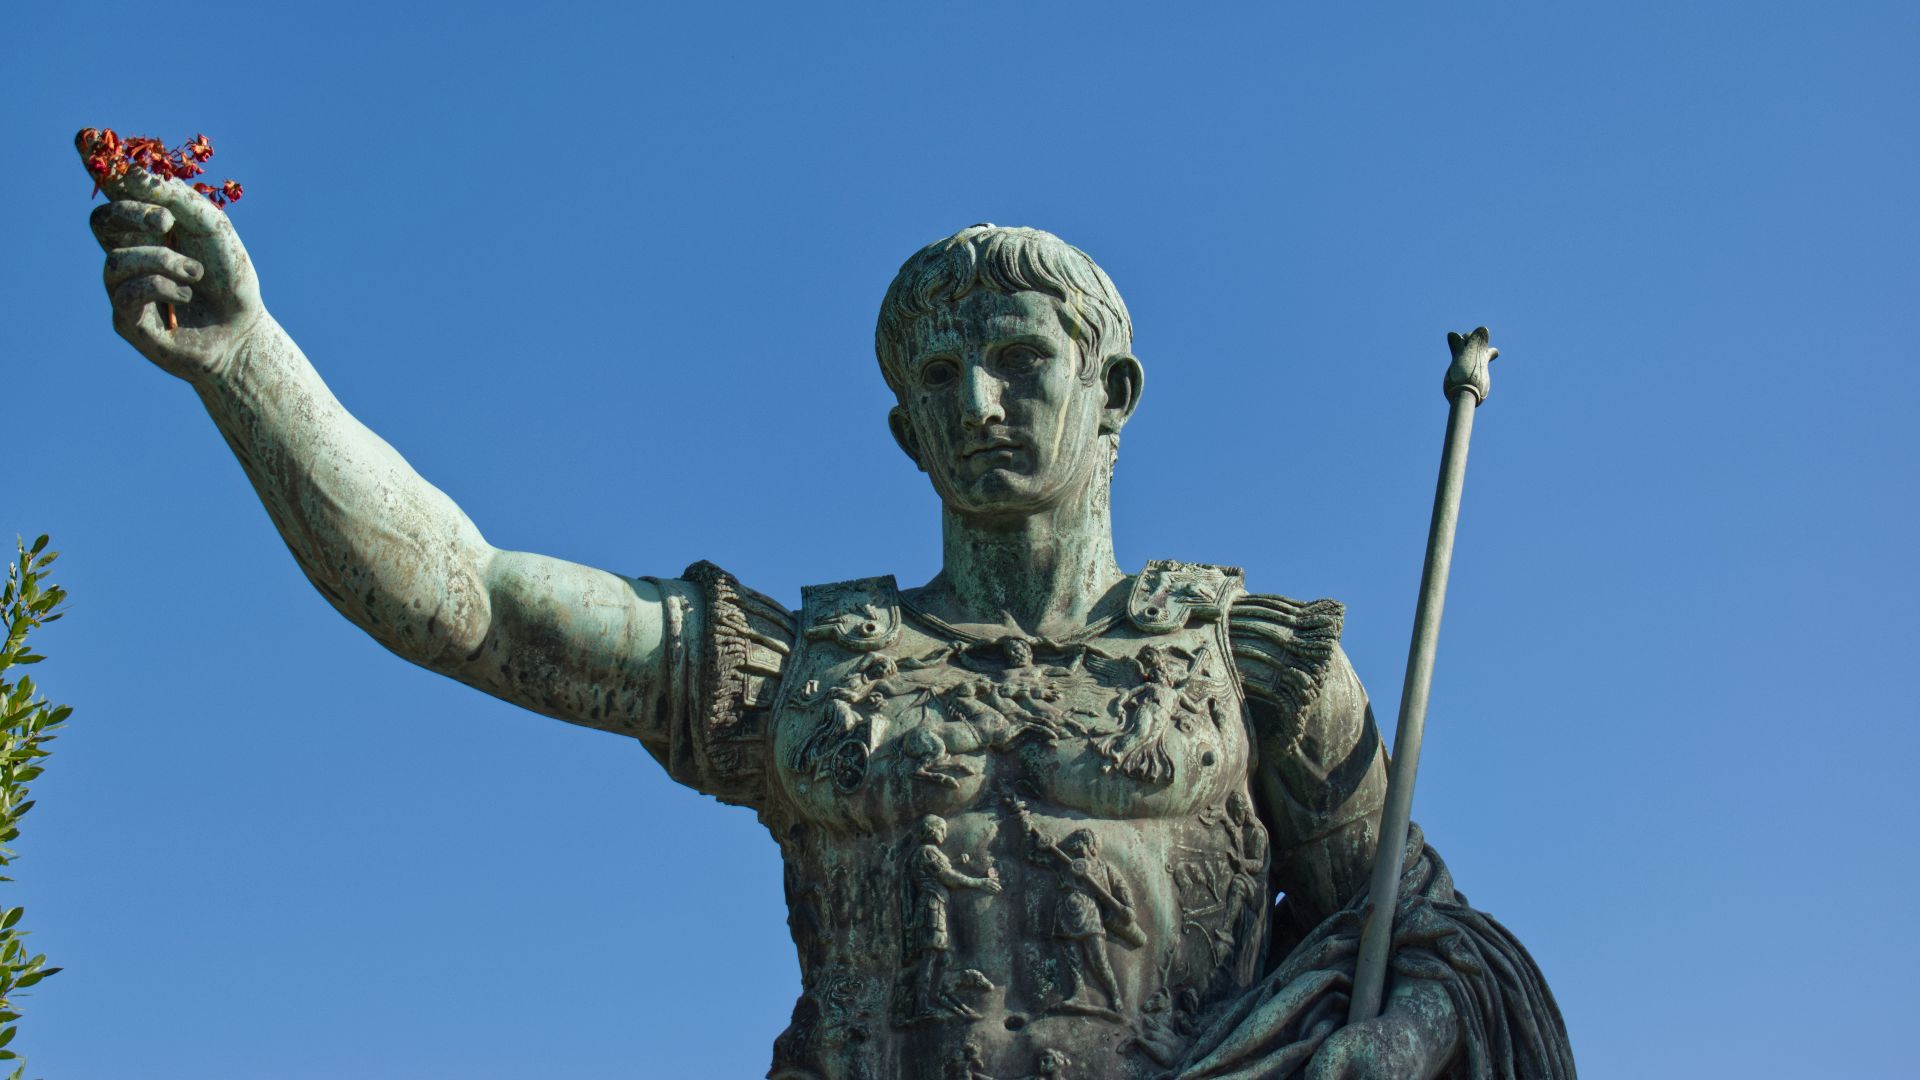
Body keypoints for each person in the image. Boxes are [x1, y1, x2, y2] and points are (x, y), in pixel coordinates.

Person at [84, 158, 1573, 1080]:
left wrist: (1400, 1039)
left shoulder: (1249, 666)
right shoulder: (804, 675)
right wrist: (246, 360)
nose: (974, 401)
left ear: (1111, 394)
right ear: (901, 432)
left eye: (1014, 359)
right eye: (937, 380)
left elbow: (1435, 940)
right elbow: (464, 599)